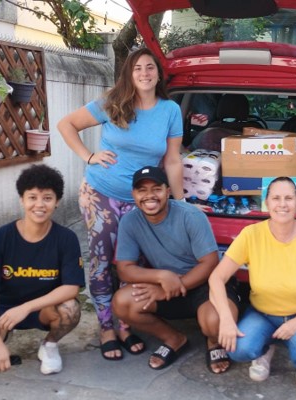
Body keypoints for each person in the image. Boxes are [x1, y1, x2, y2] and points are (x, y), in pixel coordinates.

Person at [57, 47, 184, 361]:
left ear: (158, 73)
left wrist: (180, 202)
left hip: (143, 200)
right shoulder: (112, 102)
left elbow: (172, 159)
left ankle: (125, 323)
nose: (143, 73)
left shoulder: (170, 110)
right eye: (137, 68)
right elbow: (66, 125)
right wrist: (89, 156)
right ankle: (106, 328)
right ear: (129, 73)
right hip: (100, 192)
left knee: (130, 264)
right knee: (102, 259)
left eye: (150, 67)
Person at [111, 166, 239, 373]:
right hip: (167, 284)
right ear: (134, 194)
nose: (149, 196)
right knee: (122, 303)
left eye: (156, 189)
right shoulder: (130, 221)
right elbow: (125, 269)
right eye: (142, 190)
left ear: (168, 191)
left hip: (205, 284)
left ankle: (213, 342)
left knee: (214, 323)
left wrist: (172, 286)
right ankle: (174, 338)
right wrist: (161, 276)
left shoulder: (190, 215)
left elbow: (210, 262)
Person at [209, 177, 296, 387]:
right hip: (262, 313)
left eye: (288, 198)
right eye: (276, 198)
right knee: (238, 350)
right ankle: (266, 349)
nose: (282, 204)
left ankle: (295, 344)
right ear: (267, 203)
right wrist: (227, 319)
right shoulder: (251, 234)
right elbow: (216, 278)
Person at [0, 164, 85, 375]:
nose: (39, 205)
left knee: (70, 309)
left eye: (47, 198)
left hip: (42, 308)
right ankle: (2, 336)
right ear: (22, 199)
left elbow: (71, 289)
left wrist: (26, 308)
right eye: (32, 197)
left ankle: (48, 346)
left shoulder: (66, 239)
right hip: (3, 307)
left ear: (57, 202)